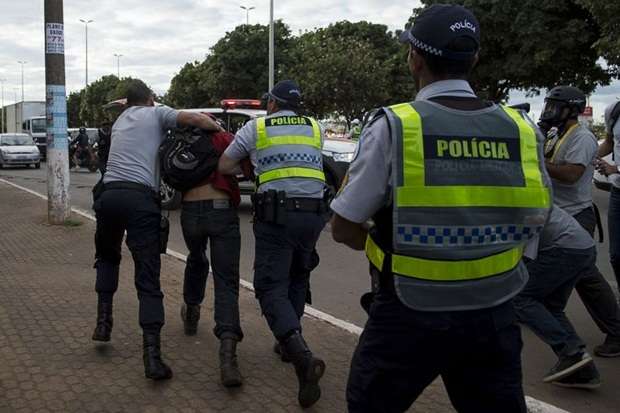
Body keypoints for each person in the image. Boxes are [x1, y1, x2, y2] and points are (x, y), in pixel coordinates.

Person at [330, 5, 552, 412]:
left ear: (415, 58)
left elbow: (343, 226)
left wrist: (388, 252)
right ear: (475, 59)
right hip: (495, 310)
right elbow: (538, 220)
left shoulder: (396, 125)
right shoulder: (521, 128)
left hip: (409, 312)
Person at [91, 79, 222, 381]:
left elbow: (122, 104)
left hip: (108, 196)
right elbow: (195, 119)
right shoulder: (157, 113)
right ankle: (152, 358)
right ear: (150, 99)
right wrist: (216, 127)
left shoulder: (122, 117)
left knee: (108, 257)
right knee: (147, 278)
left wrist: (128, 102)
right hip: (139, 199)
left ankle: (103, 322)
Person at [218, 80, 328, 408]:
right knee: (298, 276)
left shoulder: (258, 127)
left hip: (277, 216)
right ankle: (287, 343)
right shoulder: (315, 127)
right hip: (314, 215)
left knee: (269, 287)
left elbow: (225, 165)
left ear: (272, 104)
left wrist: (253, 168)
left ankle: (302, 358)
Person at [542, 87, 620, 359]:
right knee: (562, 273)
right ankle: (541, 312)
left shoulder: (583, 137)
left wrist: (537, 162)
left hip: (576, 214)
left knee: (585, 276)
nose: (549, 111)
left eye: (554, 107)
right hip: (557, 212)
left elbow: (572, 174)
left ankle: (616, 332)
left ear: (570, 109)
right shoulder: (555, 134)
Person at [180, 126, 251, 388]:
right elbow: (246, 167)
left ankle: (191, 311)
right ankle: (228, 358)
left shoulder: (182, 140)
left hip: (189, 211)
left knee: (196, 258)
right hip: (221, 210)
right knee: (226, 280)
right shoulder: (225, 139)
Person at [515, 205, 600, 388]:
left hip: (565, 249)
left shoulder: (516, 206)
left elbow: (525, 253)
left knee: (520, 298)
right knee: (551, 307)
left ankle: (569, 352)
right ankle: (583, 370)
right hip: (581, 246)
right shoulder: (523, 195)